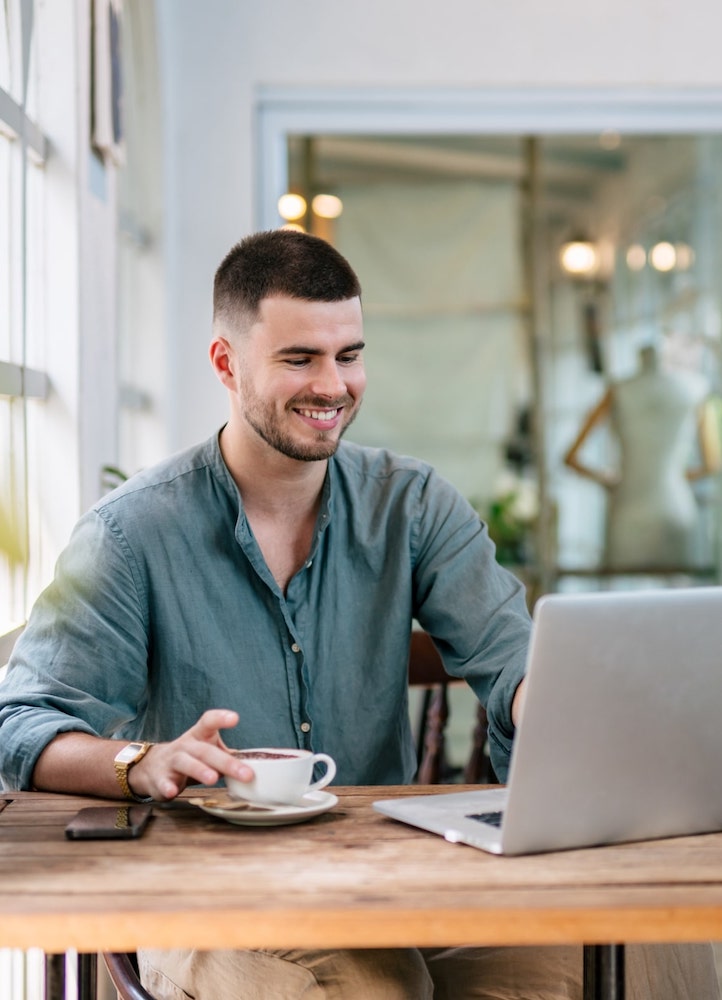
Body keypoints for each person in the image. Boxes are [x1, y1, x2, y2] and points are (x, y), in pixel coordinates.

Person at [0, 231, 717, 1000]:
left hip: (391, 892)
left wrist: (559, 704)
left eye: (349, 355)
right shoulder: (131, 533)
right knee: (368, 986)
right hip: (206, 906)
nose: (333, 385)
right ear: (225, 364)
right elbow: (23, 721)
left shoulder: (411, 503)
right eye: (299, 358)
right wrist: (138, 763)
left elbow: (511, 661)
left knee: (648, 943)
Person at [564, 343, 721, 571]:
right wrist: (672, 478)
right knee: (685, 599)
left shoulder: (618, 390)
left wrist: (610, 481)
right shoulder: (695, 389)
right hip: (676, 505)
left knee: (622, 598)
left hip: (628, 504)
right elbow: (712, 464)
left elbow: (571, 458)